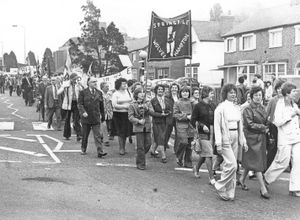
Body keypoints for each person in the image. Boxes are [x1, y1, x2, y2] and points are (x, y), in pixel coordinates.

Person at [264, 82, 300, 197]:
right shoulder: (280, 104)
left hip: (296, 137)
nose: (296, 93)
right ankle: (266, 179)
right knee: (283, 162)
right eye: (294, 91)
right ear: (287, 93)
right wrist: (291, 115)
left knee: (298, 162)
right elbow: (277, 121)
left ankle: (295, 188)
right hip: (285, 138)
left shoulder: (294, 104)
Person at [214, 83, 248, 201]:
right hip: (225, 137)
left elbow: (240, 125)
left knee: (232, 166)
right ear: (225, 94)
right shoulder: (220, 108)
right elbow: (217, 127)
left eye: (234, 92)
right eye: (231, 92)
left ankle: (229, 192)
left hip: (236, 136)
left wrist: (243, 141)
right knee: (232, 165)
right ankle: (220, 185)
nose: (233, 94)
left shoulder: (236, 107)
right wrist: (218, 143)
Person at [239, 86, 270, 199]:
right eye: (256, 95)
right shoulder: (247, 109)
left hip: (260, 138)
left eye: (260, 95)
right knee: (257, 164)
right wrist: (263, 127)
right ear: (251, 97)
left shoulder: (262, 108)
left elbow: (266, 121)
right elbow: (249, 124)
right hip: (251, 138)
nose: (258, 97)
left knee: (252, 160)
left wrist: (267, 126)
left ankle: (241, 179)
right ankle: (263, 188)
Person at [191, 86, 216, 185]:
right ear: (206, 94)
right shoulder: (198, 106)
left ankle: (196, 168)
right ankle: (211, 178)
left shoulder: (213, 105)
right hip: (203, 133)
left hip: (212, 132)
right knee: (209, 154)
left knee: (206, 153)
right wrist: (202, 125)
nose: (213, 95)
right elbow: (193, 120)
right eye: (211, 93)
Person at [77, 77, 107, 158]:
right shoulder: (83, 92)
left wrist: (103, 116)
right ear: (88, 83)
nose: (95, 83)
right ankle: (83, 148)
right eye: (93, 82)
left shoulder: (99, 93)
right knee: (85, 135)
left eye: (95, 82)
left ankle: (100, 151)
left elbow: (101, 106)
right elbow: (80, 104)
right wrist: (83, 112)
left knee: (98, 135)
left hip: (96, 117)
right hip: (86, 117)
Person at [128, 88, 154, 170]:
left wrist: (147, 109)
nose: (142, 94)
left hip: (147, 127)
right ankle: (141, 163)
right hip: (138, 128)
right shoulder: (132, 104)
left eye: (143, 92)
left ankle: (140, 155)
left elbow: (152, 112)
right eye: (140, 93)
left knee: (148, 144)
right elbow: (130, 117)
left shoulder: (147, 103)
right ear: (136, 94)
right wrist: (138, 121)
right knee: (140, 146)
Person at [58, 73, 83, 141]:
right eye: (74, 79)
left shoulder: (78, 85)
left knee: (76, 119)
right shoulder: (66, 84)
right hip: (69, 103)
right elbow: (60, 91)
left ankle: (79, 134)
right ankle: (67, 135)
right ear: (71, 79)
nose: (75, 80)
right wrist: (61, 89)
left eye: (76, 79)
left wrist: (81, 85)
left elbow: (83, 91)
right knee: (67, 119)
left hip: (76, 103)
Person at [173, 86, 194, 168]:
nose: (185, 93)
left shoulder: (192, 102)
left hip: (191, 125)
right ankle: (179, 156)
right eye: (183, 92)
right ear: (180, 93)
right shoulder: (177, 103)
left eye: (187, 92)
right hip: (181, 125)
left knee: (190, 144)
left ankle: (188, 162)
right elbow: (175, 114)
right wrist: (186, 116)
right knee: (183, 142)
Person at [265, 80, 284, 169]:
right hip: (274, 127)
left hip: (284, 128)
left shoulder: (287, 100)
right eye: (278, 88)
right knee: (273, 148)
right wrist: (266, 125)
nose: (280, 90)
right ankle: (267, 168)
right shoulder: (273, 100)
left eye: (282, 88)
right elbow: (266, 114)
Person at [150, 84, 172, 163]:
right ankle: (163, 155)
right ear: (156, 91)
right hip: (157, 121)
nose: (160, 91)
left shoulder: (167, 100)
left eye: (162, 90)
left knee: (160, 137)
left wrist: (167, 112)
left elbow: (170, 109)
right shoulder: (153, 101)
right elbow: (151, 112)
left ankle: (152, 150)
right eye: (159, 89)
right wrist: (160, 115)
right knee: (160, 137)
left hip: (165, 121)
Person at [111, 78, 133, 155]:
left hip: (127, 114)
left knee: (126, 131)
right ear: (119, 85)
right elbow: (114, 105)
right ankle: (121, 148)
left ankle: (124, 147)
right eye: (123, 84)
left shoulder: (128, 92)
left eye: (125, 84)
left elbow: (132, 101)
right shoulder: (115, 94)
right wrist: (125, 107)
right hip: (118, 115)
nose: (125, 85)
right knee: (120, 132)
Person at [165, 83, 180, 153]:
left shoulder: (180, 97)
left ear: (178, 89)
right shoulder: (167, 97)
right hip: (169, 117)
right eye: (173, 87)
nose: (174, 89)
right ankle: (164, 146)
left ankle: (176, 149)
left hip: (177, 117)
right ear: (170, 89)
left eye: (176, 88)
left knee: (178, 134)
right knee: (167, 132)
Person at [100, 82, 113, 146]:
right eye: (106, 87)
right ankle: (106, 140)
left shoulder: (110, 94)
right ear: (102, 88)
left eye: (108, 86)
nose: (108, 88)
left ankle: (102, 136)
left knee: (108, 126)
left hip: (109, 112)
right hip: (102, 112)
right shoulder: (99, 94)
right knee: (104, 125)